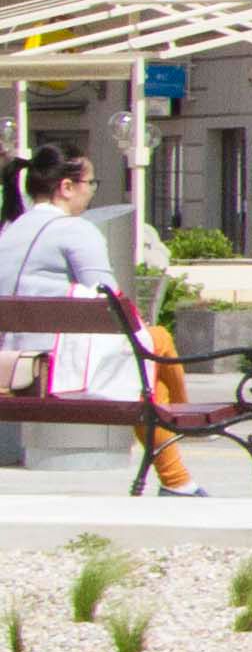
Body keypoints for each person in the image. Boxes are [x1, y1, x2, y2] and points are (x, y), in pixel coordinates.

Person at [0, 147, 181, 492]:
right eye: (90, 183)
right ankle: (183, 429)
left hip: (10, 362)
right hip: (49, 369)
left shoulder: (10, 229)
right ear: (66, 187)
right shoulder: (74, 230)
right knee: (156, 345)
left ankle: (179, 475)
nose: (91, 191)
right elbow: (111, 304)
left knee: (149, 367)